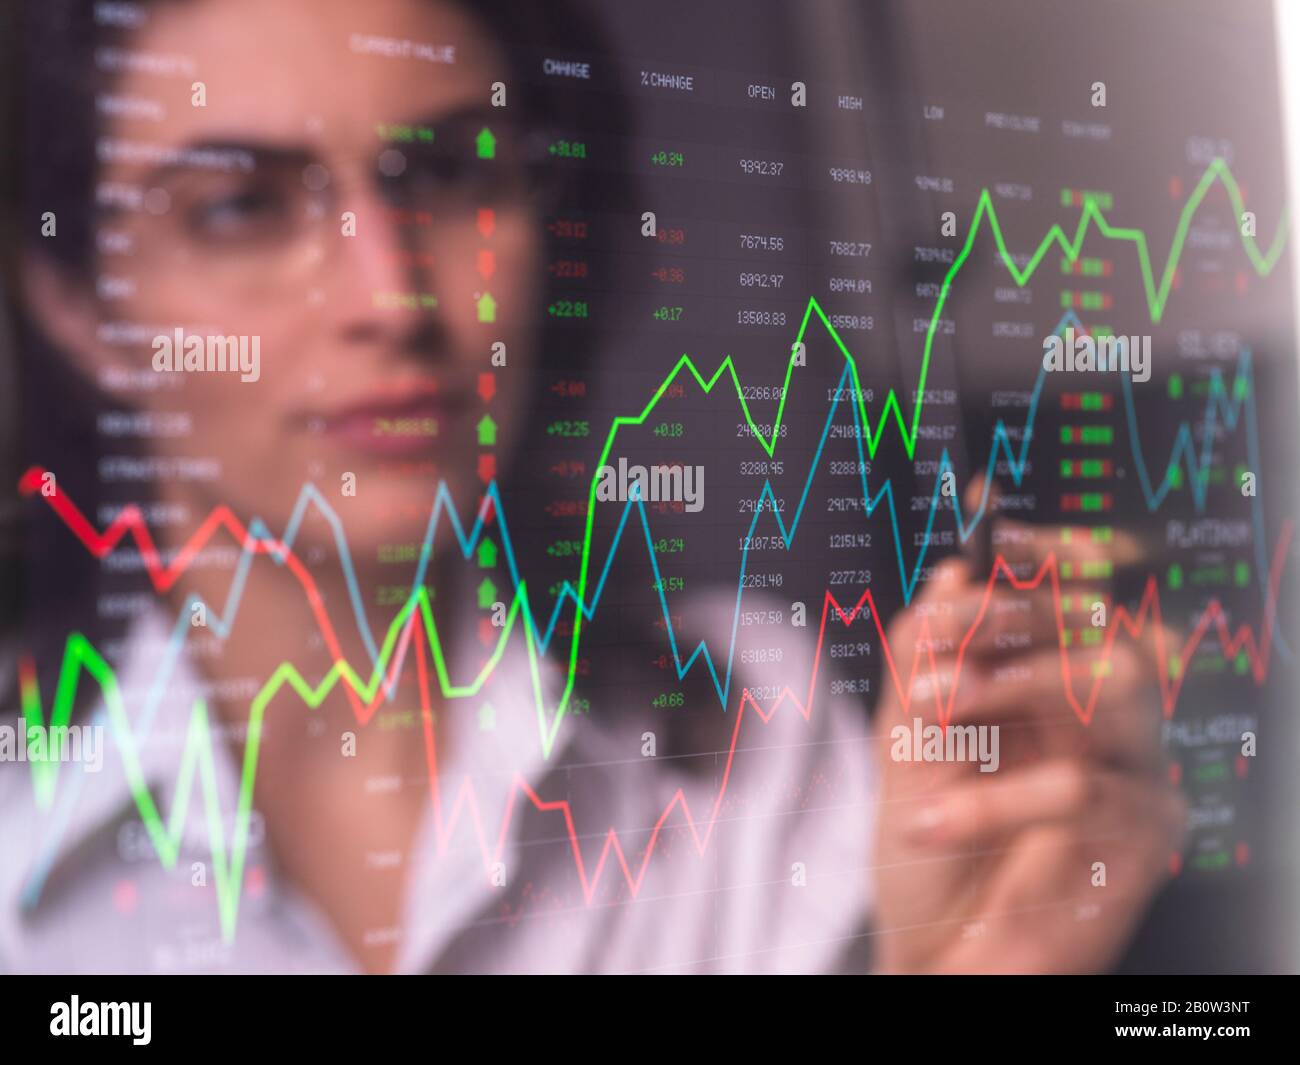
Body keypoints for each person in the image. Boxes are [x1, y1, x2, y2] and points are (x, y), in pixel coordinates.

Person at [1, 0, 1184, 974]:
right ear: (76, 304)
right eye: (241, 206)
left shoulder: (753, 738)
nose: (392, 297)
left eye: (456, 171)